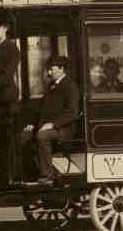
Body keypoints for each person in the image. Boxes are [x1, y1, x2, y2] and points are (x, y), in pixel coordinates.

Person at [19, 56, 80, 186]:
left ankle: (47, 176)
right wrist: (32, 124)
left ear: (62, 69)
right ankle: (30, 174)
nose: (49, 73)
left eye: (52, 69)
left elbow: (72, 112)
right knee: (24, 136)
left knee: (42, 136)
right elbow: (41, 109)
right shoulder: (51, 86)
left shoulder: (70, 86)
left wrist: (53, 124)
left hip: (64, 129)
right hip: (48, 127)